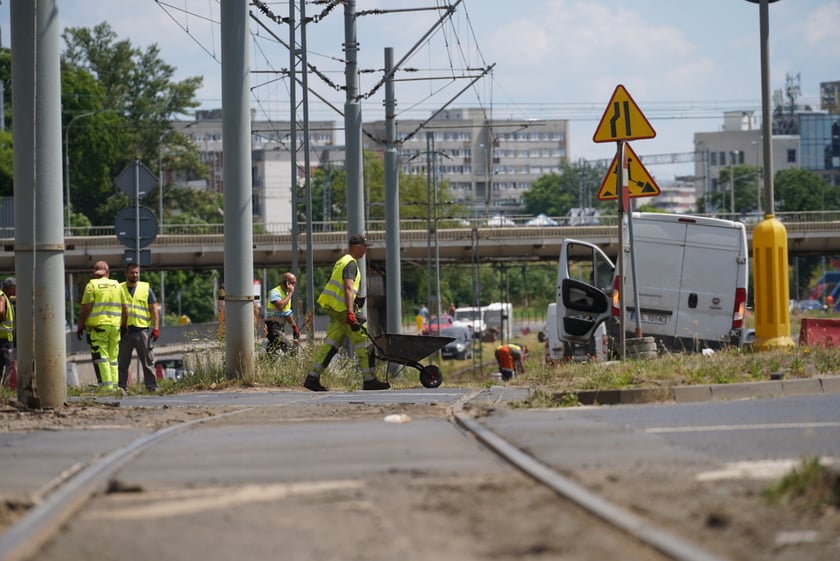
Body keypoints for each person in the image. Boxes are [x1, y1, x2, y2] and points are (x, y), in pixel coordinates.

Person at [303, 234, 389, 392]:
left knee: (331, 343)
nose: (365, 250)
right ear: (356, 246)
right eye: (364, 246)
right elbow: (347, 287)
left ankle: (312, 377)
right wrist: (350, 311)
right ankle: (369, 380)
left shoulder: (342, 261)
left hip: (336, 309)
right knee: (365, 343)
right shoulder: (350, 263)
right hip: (343, 310)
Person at [77, 261, 127, 391]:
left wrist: (80, 325)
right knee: (113, 359)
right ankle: (115, 387)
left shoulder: (92, 285)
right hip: (115, 327)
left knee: (102, 359)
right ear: (108, 271)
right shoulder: (117, 285)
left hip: (98, 328)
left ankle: (107, 388)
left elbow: (85, 309)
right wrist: (124, 325)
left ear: (95, 273)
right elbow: (125, 308)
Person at [117, 263, 161, 394]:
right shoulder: (119, 288)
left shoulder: (146, 288)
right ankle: (122, 387)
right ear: (126, 273)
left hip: (142, 331)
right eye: (132, 273)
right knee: (123, 363)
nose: (134, 275)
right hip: (125, 331)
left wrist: (156, 328)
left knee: (148, 361)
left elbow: (154, 310)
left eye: (136, 273)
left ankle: (152, 386)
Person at [266, 272, 301, 356]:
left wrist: (294, 327)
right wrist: (290, 293)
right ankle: (291, 368)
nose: (294, 285)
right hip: (272, 327)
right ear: (286, 282)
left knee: (272, 354)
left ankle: (267, 367)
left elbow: (287, 313)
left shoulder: (286, 295)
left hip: (280, 327)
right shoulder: (275, 292)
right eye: (292, 282)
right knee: (291, 349)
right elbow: (280, 306)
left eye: (295, 283)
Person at [0, 277, 15, 386]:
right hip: (2, 338)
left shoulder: (5, 296)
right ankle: (5, 388)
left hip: (3, 338)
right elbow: (1, 311)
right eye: (15, 287)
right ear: (10, 287)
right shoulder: (2, 297)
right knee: (6, 365)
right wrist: (2, 316)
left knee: (1, 365)